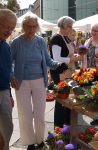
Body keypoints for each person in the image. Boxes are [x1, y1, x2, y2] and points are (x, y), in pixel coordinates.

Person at [10, 14, 67, 150]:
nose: (31, 29)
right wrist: (11, 76)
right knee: (25, 114)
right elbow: (9, 62)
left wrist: (58, 64)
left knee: (40, 113)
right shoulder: (16, 42)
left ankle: (40, 140)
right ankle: (30, 142)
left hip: (39, 80)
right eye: (28, 26)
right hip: (21, 81)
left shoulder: (40, 41)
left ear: (37, 27)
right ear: (23, 27)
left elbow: (48, 60)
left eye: (34, 26)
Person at [50, 16, 84, 128]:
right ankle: (59, 125)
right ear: (64, 26)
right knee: (61, 98)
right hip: (60, 73)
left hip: (67, 71)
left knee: (67, 96)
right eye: (70, 26)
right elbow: (56, 58)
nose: (71, 28)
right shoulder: (57, 38)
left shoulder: (64, 38)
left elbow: (64, 55)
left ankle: (66, 122)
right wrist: (74, 59)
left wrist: (73, 56)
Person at [0, 9, 17, 150]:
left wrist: (10, 93)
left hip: (4, 92)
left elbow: (6, 69)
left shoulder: (6, 46)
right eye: (6, 26)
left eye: (11, 28)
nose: (9, 31)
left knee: (7, 128)